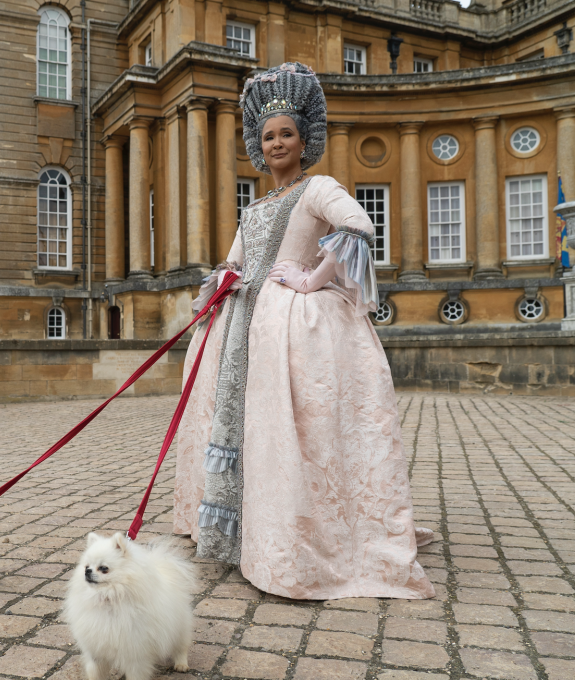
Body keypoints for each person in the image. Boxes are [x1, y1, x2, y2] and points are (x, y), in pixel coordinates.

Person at [173, 62, 435, 600]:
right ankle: (241, 535)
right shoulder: (257, 205)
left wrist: (312, 280)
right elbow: (233, 263)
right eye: (268, 136)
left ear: (303, 138)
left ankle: (294, 544)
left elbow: (359, 226)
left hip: (288, 330)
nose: (276, 144)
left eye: (285, 134)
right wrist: (221, 284)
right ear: (258, 143)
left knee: (292, 435)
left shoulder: (318, 188)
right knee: (244, 434)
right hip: (243, 328)